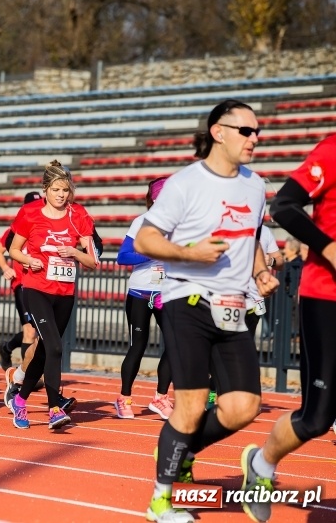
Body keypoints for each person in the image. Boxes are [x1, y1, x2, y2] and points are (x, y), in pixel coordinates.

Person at [133, 99, 278, 523]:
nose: (255, 139)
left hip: (234, 306)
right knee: (192, 405)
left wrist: (262, 272)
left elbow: (250, 238)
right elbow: (144, 241)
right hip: (188, 300)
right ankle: (161, 499)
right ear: (218, 131)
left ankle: (182, 451)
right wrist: (189, 253)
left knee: (242, 407)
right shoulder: (185, 183)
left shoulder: (256, 185)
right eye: (246, 131)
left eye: (258, 131)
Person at [239, 134, 336, 522]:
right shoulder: (331, 151)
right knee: (316, 419)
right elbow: (284, 206)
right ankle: (262, 465)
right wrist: (328, 248)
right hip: (326, 298)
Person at [8, 161, 98, 429]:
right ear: (45, 189)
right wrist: (28, 260)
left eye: (65, 190)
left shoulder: (78, 215)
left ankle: (20, 400)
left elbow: (93, 261)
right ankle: (55, 408)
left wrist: (75, 253)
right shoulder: (29, 214)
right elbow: (13, 249)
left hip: (65, 293)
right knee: (56, 347)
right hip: (36, 289)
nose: (61, 195)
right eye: (56, 189)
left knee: (47, 350)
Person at [114, 177, 173, 420]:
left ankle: (160, 397)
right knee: (138, 345)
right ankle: (124, 398)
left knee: (174, 345)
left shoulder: (181, 224)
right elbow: (123, 256)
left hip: (167, 293)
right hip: (140, 293)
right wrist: (150, 253)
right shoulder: (142, 222)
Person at [0, 191, 43, 373]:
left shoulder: (44, 227)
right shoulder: (14, 230)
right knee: (30, 331)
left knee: (37, 330)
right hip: (22, 284)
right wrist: (6, 268)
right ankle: (28, 375)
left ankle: (6, 347)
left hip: (40, 283)